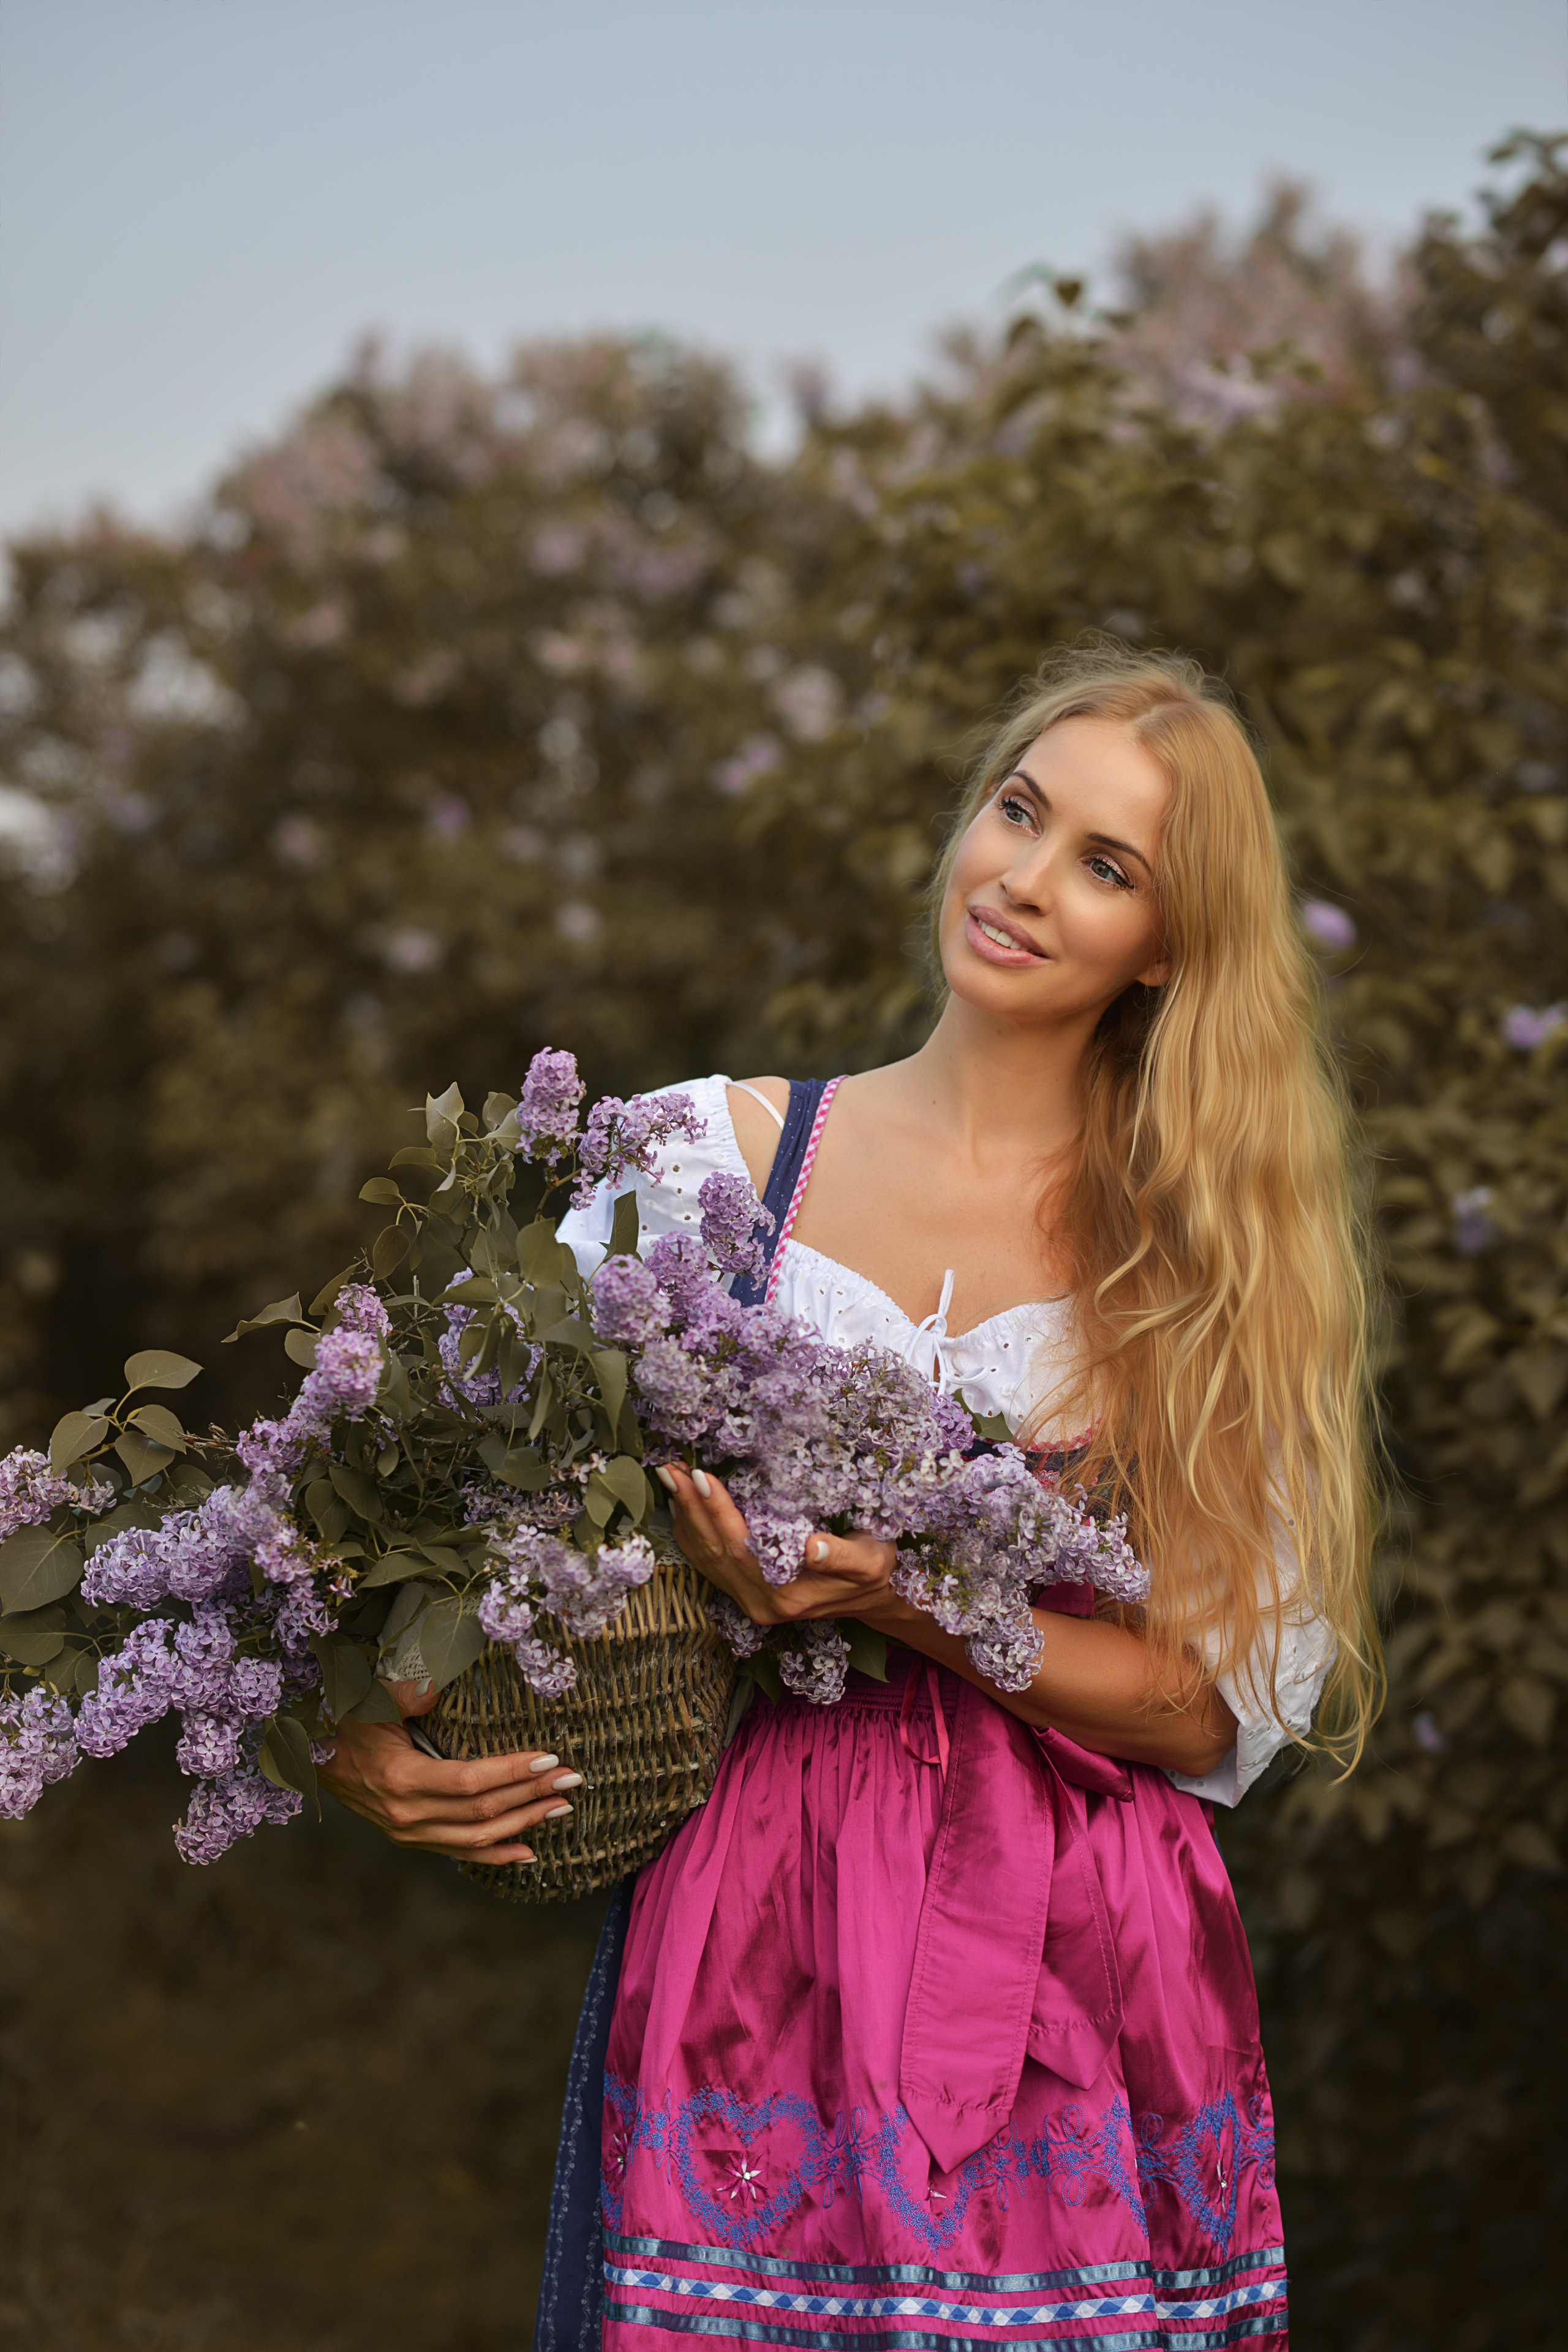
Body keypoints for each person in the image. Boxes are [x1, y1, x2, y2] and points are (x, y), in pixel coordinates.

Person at [322, 644, 1380, 2352]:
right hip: (760, 1929)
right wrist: (367, 1721)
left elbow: (1206, 1708)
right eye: (1020, 812)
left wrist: (908, 1603)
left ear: (1169, 946)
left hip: (1079, 1957)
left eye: (1107, 867)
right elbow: (438, 1504)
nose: (1026, 880)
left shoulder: (1201, 1259)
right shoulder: (705, 1160)